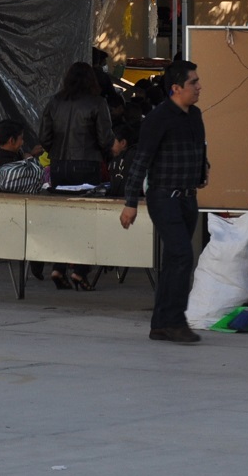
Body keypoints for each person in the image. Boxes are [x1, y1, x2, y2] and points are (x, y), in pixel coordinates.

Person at [120, 60, 207, 344]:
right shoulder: (158, 118)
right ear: (176, 88)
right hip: (163, 196)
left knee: (174, 259)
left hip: (187, 197)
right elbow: (140, 161)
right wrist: (130, 202)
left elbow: (199, 148)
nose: (198, 87)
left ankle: (160, 323)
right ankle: (174, 320)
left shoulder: (194, 115)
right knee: (182, 255)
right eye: (193, 83)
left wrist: (202, 170)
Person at [39, 62, 124, 290]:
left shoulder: (54, 102)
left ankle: (58, 268)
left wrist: (56, 152)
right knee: (88, 220)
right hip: (88, 165)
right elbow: (106, 139)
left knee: (63, 218)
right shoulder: (97, 103)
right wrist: (112, 150)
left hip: (59, 166)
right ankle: (80, 271)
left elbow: (44, 137)